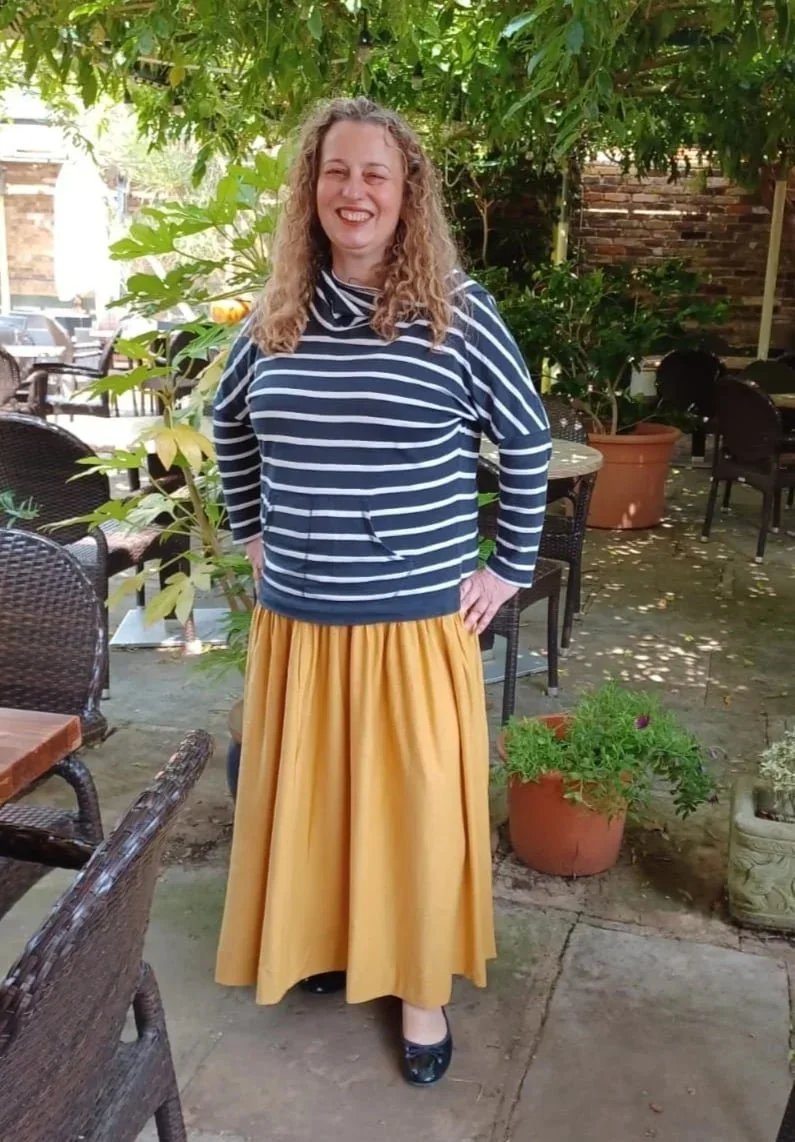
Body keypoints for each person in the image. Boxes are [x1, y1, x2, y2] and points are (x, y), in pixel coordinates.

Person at [213, 96, 551, 1087]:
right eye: (336, 172)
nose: (353, 191)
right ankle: (324, 941)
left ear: (408, 195)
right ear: (311, 190)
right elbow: (230, 423)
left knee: (409, 814)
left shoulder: (456, 309)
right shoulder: (278, 313)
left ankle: (418, 989)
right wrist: (253, 530)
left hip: (410, 622)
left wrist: (507, 566)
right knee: (311, 799)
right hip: (301, 622)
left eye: (375, 175)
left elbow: (526, 440)